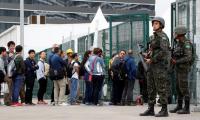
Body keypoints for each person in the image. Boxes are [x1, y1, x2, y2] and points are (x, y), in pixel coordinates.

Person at [140, 17, 170, 117]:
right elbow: (153, 50)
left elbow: (164, 51)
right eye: (153, 23)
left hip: (159, 66)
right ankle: (150, 109)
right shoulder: (153, 37)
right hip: (152, 66)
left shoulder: (163, 36)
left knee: (161, 88)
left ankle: (164, 110)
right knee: (151, 88)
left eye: (156, 23)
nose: (154, 25)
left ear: (161, 25)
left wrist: (152, 59)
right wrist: (147, 55)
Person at [169, 26, 193, 114]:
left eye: (175, 33)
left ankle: (186, 108)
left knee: (184, 88)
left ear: (180, 33)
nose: (174, 34)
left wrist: (176, 61)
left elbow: (188, 57)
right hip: (178, 68)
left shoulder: (186, 43)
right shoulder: (178, 43)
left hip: (183, 69)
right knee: (178, 88)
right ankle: (179, 106)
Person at [4, 41, 15, 106]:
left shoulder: (15, 54)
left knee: (11, 87)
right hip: (7, 73)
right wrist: (9, 57)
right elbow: (5, 63)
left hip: (13, 73)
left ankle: (10, 100)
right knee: (8, 87)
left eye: (13, 46)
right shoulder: (6, 54)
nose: (12, 47)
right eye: (11, 46)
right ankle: (7, 101)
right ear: (8, 47)